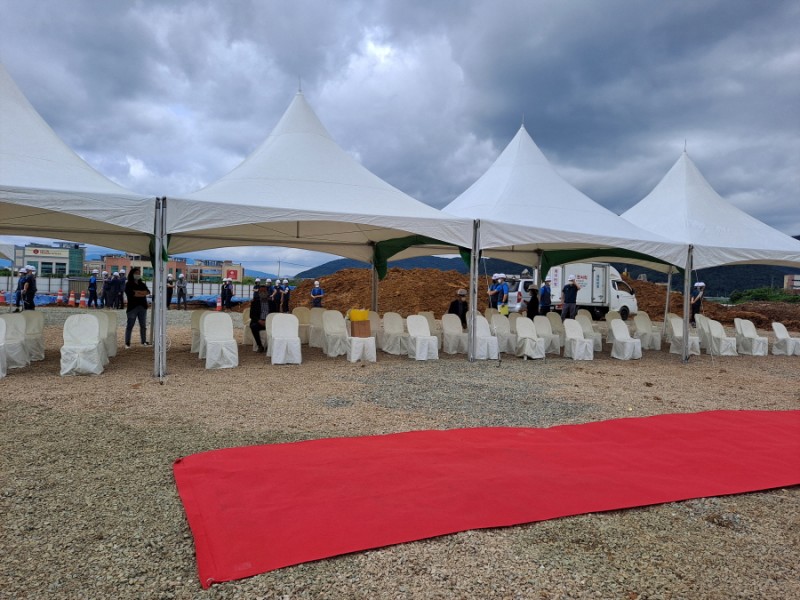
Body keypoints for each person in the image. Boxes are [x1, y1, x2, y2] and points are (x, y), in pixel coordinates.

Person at [124, 267, 150, 348]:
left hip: (143, 307)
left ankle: (143, 341)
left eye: (139, 273)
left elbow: (147, 292)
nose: (138, 274)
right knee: (130, 325)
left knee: (143, 326)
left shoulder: (142, 284)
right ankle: (127, 343)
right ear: (132, 274)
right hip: (132, 307)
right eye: (136, 273)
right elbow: (132, 294)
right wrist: (141, 293)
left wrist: (137, 292)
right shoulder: (128, 284)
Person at [249, 284, 270, 352]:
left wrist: (267, 321)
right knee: (253, 326)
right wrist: (259, 321)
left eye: (264, 291)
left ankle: (269, 346)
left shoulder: (272, 303)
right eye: (261, 291)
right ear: (259, 293)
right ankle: (260, 345)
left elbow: (275, 314)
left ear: (267, 292)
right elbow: (251, 315)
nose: (263, 293)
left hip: (269, 322)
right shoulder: (254, 303)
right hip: (258, 322)